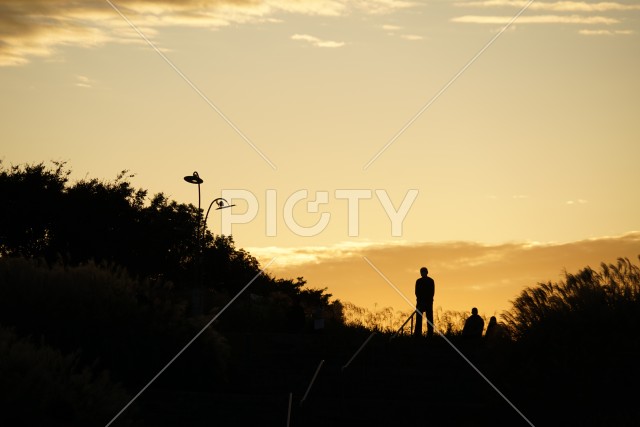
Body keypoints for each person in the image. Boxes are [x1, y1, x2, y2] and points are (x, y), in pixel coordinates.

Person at [414, 267, 435, 338]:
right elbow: (416, 292)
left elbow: (432, 292)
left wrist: (427, 300)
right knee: (418, 320)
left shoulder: (431, 281)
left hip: (428, 303)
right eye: (421, 272)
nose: (422, 273)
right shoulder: (418, 281)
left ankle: (430, 335)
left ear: (427, 272)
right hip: (420, 302)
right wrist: (420, 301)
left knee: (429, 319)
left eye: (423, 272)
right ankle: (417, 335)